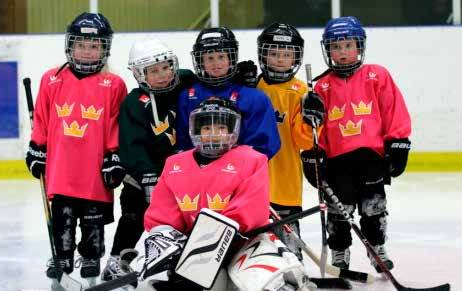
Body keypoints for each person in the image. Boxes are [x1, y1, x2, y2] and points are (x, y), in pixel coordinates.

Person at [137, 97, 315, 291]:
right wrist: (169, 244)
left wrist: (203, 241)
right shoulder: (175, 164)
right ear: (196, 130)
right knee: (152, 282)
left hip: (244, 243)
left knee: (271, 280)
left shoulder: (252, 159)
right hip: (190, 250)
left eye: (221, 127)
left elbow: (250, 209)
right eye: (206, 128)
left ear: (233, 130)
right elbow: (162, 213)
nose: (214, 133)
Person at [301, 16, 412, 273]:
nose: (342, 52)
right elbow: (315, 129)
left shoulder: (377, 75)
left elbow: (392, 110)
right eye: (336, 47)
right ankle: (340, 252)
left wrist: (398, 142)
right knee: (339, 211)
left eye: (348, 45)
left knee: (374, 206)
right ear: (327, 50)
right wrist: (313, 155)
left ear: (359, 46)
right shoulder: (322, 86)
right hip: (338, 161)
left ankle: (377, 249)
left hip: (371, 156)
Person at [25, 12, 127, 280]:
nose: (87, 52)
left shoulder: (114, 84)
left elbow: (117, 124)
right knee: (63, 217)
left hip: (94, 169)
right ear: (70, 46)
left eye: (94, 46)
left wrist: (113, 156)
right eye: (81, 45)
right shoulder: (52, 79)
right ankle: (62, 256)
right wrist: (37, 148)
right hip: (62, 168)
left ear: (104, 49)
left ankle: (92, 256)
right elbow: (42, 118)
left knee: (93, 218)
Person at [101, 39, 199, 281]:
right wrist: (147, 174)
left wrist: (238, 77)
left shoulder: (186, 81)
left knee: (185, 218)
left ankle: (184, 260)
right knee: (134, 216)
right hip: (145, 175)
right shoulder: (134, 103)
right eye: (153, 71)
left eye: (166, 67)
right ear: (138, 73)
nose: (163, 75)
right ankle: (117, 261)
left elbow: (213, 82)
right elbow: (131, 144)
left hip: (183, 174)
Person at [255, 22, 324, 261]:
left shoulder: (301, 92)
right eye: (274, 53)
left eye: (287, 54)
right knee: (259, 245)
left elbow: (304, 141)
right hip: (253, 181)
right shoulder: (254, 86)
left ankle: (293, 267)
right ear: (263, 54)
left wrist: (314, 118)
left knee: (289, 251)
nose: (280, 59)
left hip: (285, 181)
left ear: (296, 56)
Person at [176, 26, 281, 160]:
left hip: (239, 173)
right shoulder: (187, 97)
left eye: (221, 57)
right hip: (199, 174)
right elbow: (183, 141)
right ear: (200, 62)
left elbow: (265, 145)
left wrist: (232, 165)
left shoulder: (254, 98)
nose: (216, 64)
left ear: (231, 59)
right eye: (210, 58)